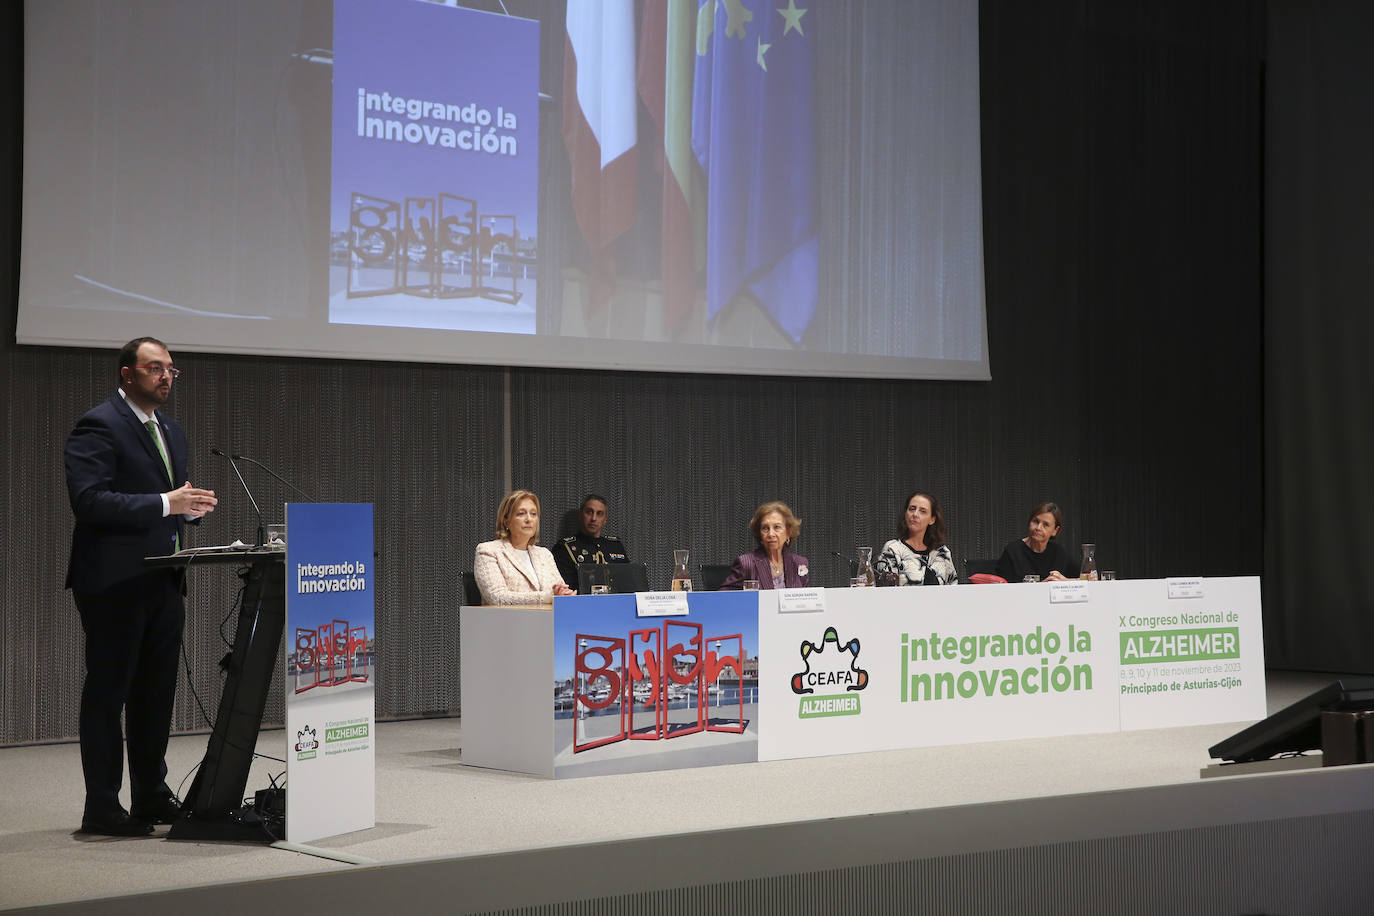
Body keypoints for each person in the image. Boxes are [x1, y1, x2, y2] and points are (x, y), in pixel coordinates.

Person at [64, 337, 219, 836]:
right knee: (110, 694)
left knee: (156, 695)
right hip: (114, 582)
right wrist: (164, 503)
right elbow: (90, 502)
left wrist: (187, 510)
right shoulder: (99, 425)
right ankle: (102, 807)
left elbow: (168, 502)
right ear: (128, 373)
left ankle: (151, 795)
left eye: (172, 369)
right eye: (156, 368)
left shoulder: (171, 431)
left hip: (163, 579)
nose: (166, 376)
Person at [474, 490, 577, 605]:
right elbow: (497, 597)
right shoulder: (488, 551)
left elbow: (559, 591)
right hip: (508, 621)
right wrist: (548, 597)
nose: (529, 519)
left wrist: (565, 595)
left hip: (546, 620)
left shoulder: (544, 554)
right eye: (521, 514)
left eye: (533, 514)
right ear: (506, 521)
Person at [719, 501, 810, 590]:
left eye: (777, 527)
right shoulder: (746, 563)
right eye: (765, 528)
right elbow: (722, 598)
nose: (771, 534)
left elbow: (808, 601)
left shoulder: (799, 563)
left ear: (788, 533)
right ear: (760, 534)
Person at [875, 491, 958, 585]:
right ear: (906, 514)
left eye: (922, 511)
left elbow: (954, 588)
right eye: (912, 509)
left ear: (932, 519)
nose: (915, 514)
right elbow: (885, 590)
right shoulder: (893, 549)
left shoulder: (942, 552)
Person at [552, 494, 630, 589]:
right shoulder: (565, 548)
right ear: (581, 515)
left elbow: (629, 583)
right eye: (589, 512)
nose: (593, 518)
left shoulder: (615, 546)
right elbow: (565, 588)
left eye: (599, 513)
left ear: (605, 519)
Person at [995, 501, 1081, 582]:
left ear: (1055, 530)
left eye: (1045, 525)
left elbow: (1085, 579)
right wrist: (1042, 587)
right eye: (1035, 521)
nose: (1038, 528)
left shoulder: (1059, 552)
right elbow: (1003, 589)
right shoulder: (1013, 551)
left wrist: (1064, 581)